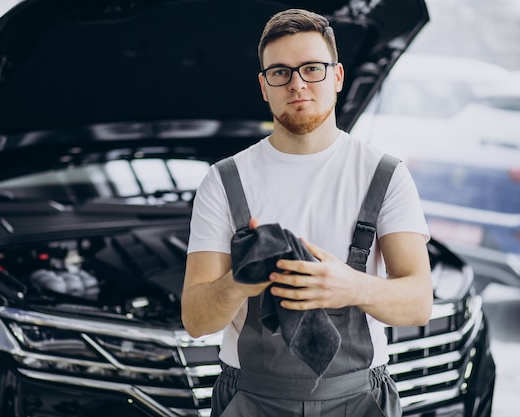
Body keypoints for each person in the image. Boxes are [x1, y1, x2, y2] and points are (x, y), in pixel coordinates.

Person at [181, 8, 433, 417]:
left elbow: (419, 302)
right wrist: (239, 282)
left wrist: (351, 286)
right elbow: (195, 320)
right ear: (264, 87)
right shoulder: (224, 182)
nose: (297, 83)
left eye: (312, 68)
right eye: (280, 72)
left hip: (359, 402)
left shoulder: (384, 175)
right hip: (250, 400)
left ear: (337, 76)